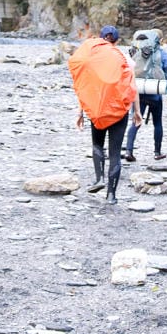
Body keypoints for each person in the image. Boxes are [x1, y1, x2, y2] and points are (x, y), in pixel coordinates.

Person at [69, 26, 141, 205]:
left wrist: (80, 111)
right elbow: (132, 88)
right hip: (118, 111)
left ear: (100, 40)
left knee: (97, 144)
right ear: (116, 41)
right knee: (115, 152)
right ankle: (111, 195)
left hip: (96, 110)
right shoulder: (124, 58)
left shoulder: (92, 59)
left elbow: (86, 87)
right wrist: (137, 112)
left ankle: (99, 178)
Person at [125, 29, 167, 162]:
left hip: (138, 92)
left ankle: (129, 150)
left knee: (136, 121)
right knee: (157, 123)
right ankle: (157, 152)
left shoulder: (136, 52)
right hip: (155, 92)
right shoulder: (162, 54)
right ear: (160, 41)